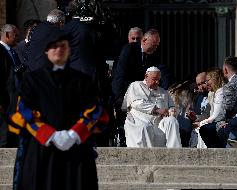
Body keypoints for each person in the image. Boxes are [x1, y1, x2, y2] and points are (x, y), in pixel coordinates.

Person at [8, 28, 108, 190]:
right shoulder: (32, 80)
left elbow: (96, 112)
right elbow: (22, 112)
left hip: (76, 150)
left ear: (69, 49)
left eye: (63, 46)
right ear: (46, 50)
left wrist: (75, 133)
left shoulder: (82, 81)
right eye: (54, 46)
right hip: (41, 149)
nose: (59, 49)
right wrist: (50, 135)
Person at [122, 66, 181, 148]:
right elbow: (136, 103)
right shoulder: (136, 85)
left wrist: (172, 111)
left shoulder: (164, 92)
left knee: (172, 121)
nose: (157, 82)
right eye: (154, 79)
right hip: (140, 120)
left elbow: (171, 106)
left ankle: (175, 152)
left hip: (159, 122)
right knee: (146, 127)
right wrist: (157, 110)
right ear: (146, 76)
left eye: (158, 80)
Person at [0, 24, 26, 148]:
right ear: (6, 35)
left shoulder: (12, 51)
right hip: (5, 100)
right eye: (15, 35)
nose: (18, 37)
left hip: (13, 99)